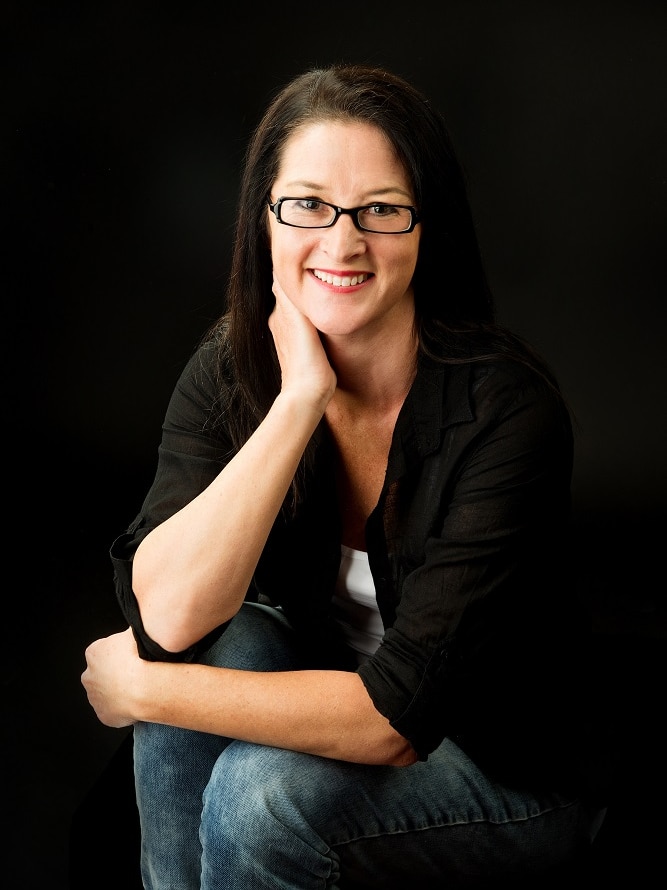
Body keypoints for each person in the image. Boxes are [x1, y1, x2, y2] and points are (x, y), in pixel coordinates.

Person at [81, 63, 610, 889]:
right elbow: (173, 617)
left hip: (509, 771)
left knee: (261, 798)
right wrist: (298, 402)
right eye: (307, 205)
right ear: (264, 219)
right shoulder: (232, 371)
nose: (341, 240)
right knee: (213, 644)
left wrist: (146, 694)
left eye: (380, 211)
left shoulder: (506, 411)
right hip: (330, 698)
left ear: (425, 228)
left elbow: (394, 720)